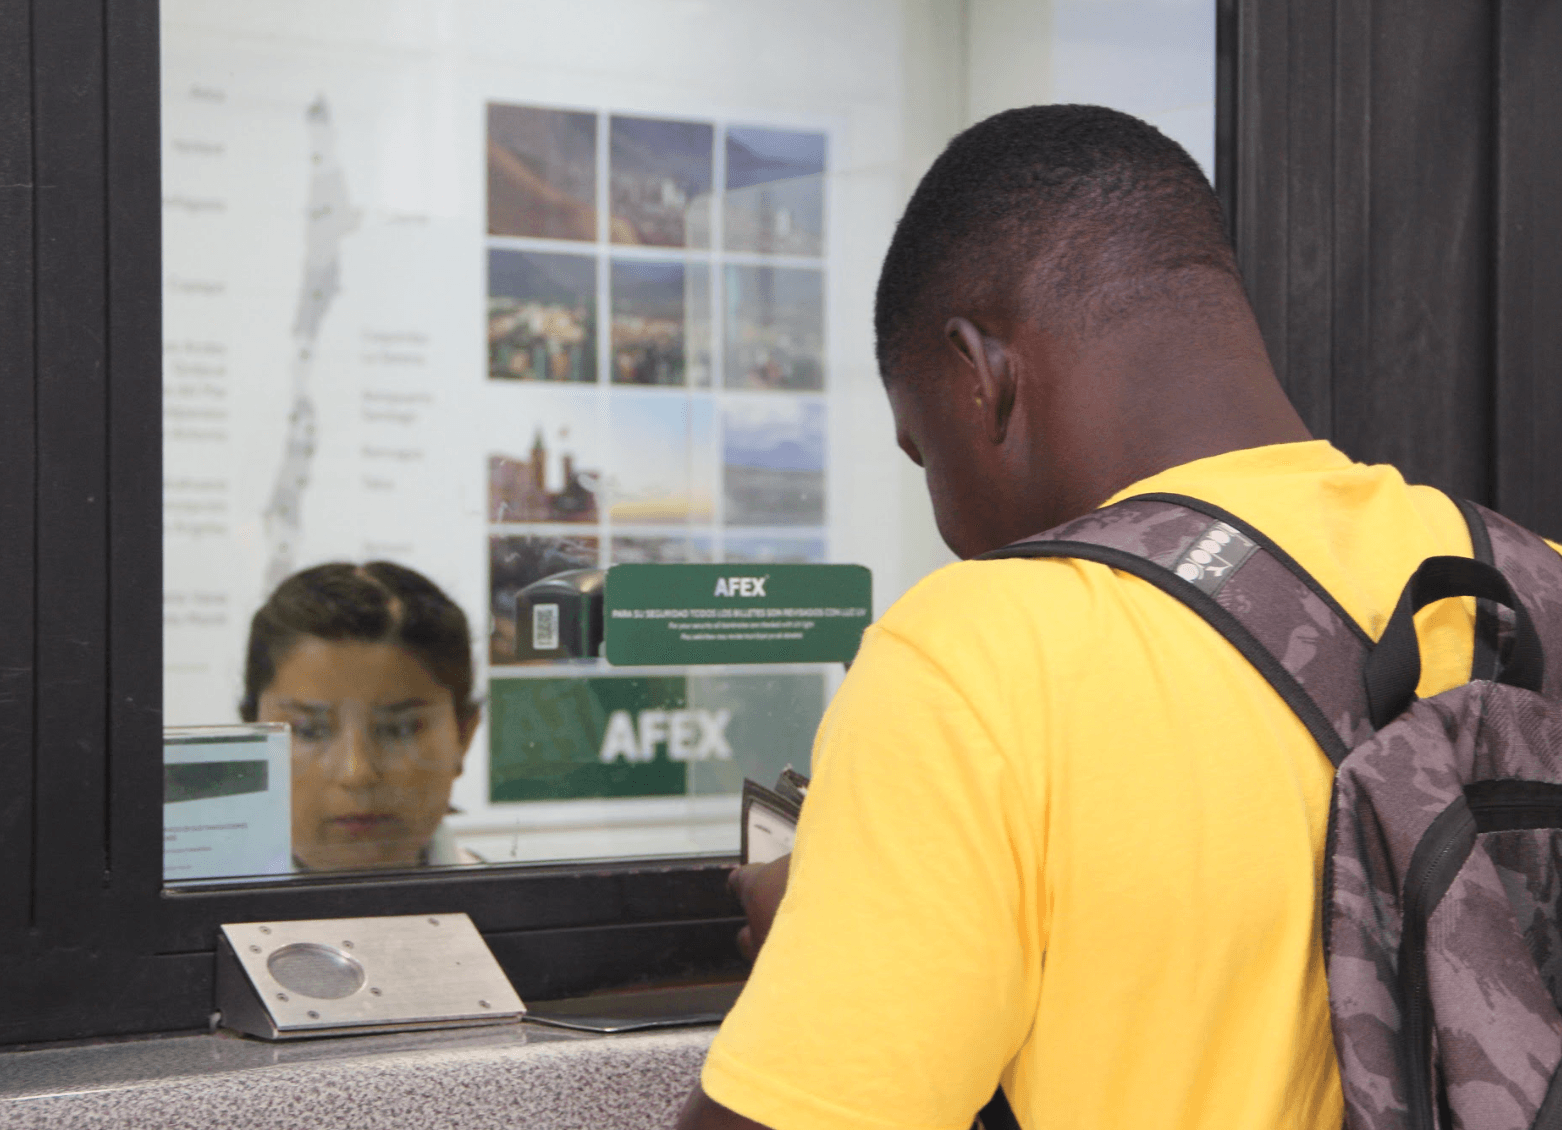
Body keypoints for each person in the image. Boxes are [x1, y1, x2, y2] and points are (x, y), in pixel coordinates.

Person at [677, 104, 1536, 1129]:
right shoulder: (1529, 583)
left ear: (980, 375)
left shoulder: (983, 653)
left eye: (923, 453)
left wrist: (833, 945)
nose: (944, 519)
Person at [239, 561, 482, 871]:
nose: (357, 773)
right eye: (309, 731)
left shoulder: (520, 911)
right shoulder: (191, 911)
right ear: (252, 745)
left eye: (400, 730)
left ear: (463, 738)